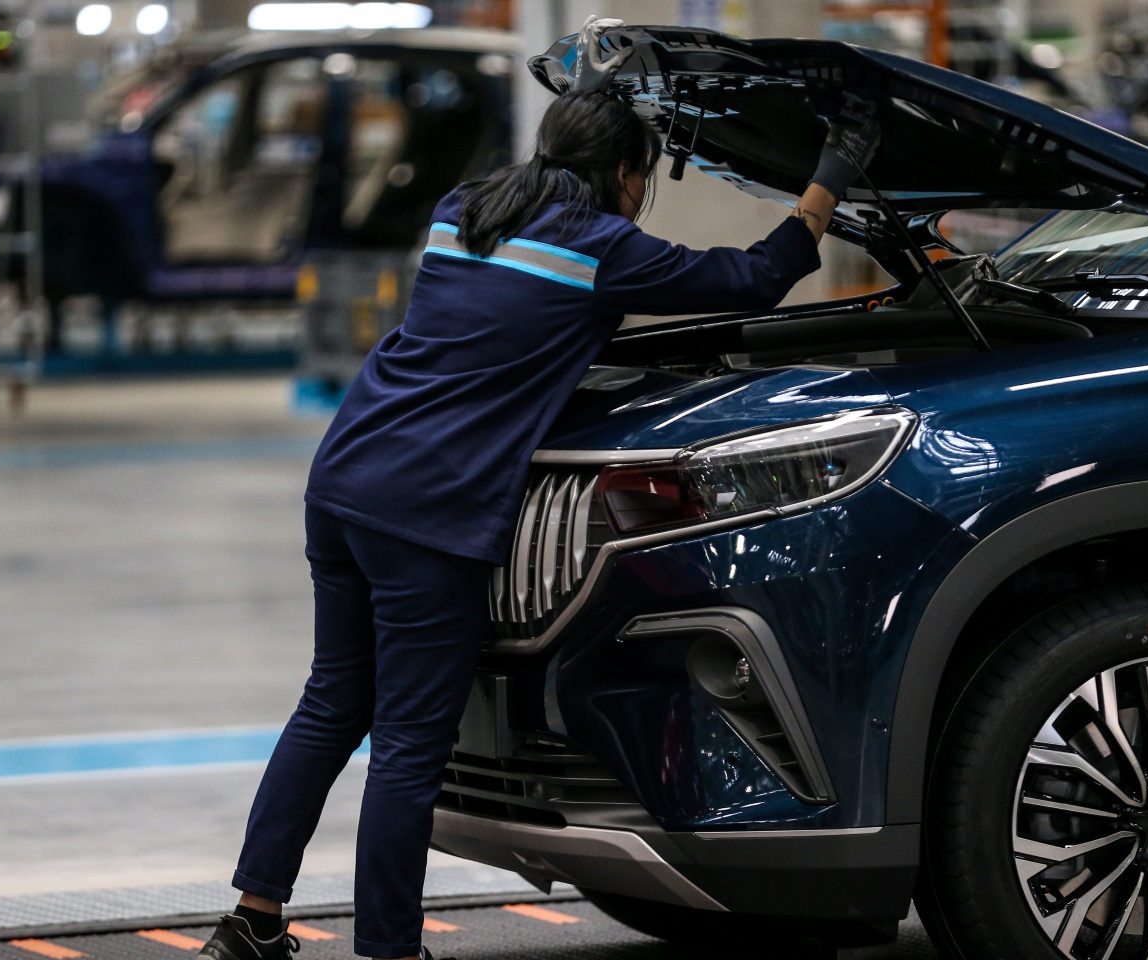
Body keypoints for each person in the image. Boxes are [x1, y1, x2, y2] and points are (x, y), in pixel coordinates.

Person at [194, 16, 880, 960]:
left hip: (346, 474)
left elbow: (490, 336)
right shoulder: (602, 247)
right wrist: (830, 179)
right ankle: (389, 950)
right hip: (427, 512)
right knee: (405, 745)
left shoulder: (460, 209)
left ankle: (253, 920)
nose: (643, 195)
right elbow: (753, 279)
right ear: (622, 175)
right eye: (644, 178)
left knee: (330, 705)